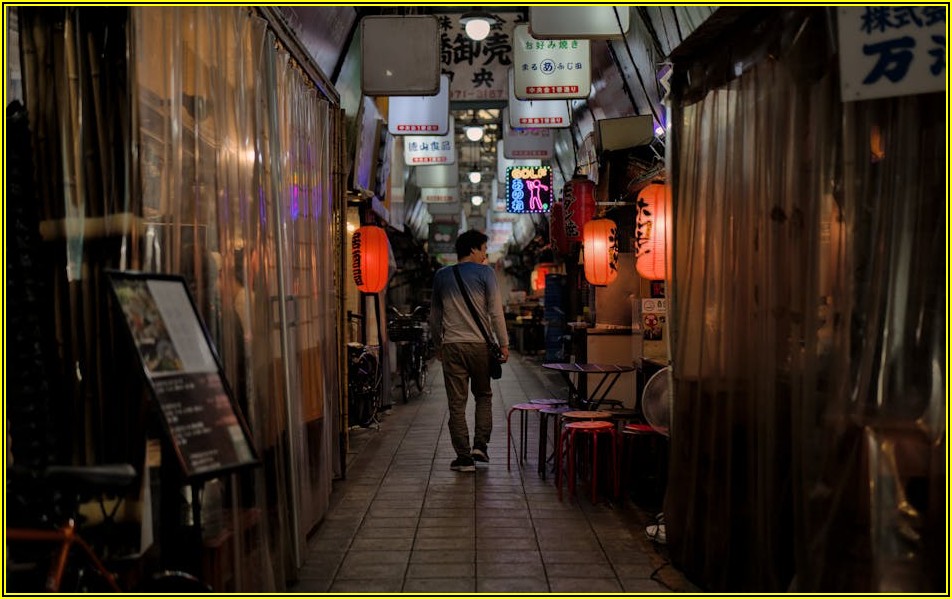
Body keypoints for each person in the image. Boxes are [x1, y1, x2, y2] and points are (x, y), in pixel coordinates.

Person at [429, 230, 510, 472]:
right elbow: (496, 312)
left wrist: (437, 346)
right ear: (473, 249)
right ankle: (480, 447)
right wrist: (503, 344)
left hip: (452, 345)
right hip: (479, 347)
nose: (485, 255)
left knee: (457, 402)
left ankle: (463, 457)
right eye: (484, 249)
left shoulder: (442, 276)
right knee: (483, 395)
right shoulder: (486, 273)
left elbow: (435, 317)